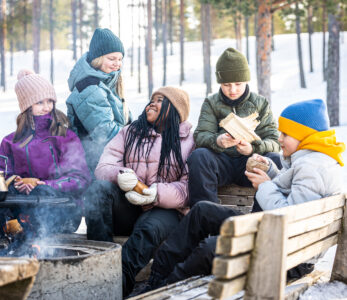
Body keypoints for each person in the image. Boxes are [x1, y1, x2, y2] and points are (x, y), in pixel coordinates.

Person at [143, 99, 345, 290]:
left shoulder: (312, 167)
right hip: (277, 240)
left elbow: (291, 221)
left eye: (285, 134)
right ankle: (157, 278)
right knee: (201, 211)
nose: (279, 138)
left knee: (211, 248)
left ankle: (164, 288)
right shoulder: (312, 160)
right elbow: (291, 192)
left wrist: (265, 186)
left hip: (288, 255)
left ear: (304, 136)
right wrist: (271, 172)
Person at [84, 87, 194, 296]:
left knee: (148, 229)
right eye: (151, 99)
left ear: (175, 109)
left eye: (160, 100)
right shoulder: (130, 131)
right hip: (130, 205)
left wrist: (156, 193)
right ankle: (98, 263)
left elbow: (188, 188)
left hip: (166, 211)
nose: (152, 103)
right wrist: (121, 175)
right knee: (97, 191)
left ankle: (113, 288)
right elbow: (103, 167)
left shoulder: (188, 140)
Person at [0, 70, 91, 233]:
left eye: (50, 101)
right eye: (39, 102)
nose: (46, 107)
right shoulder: (10, 142)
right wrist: (15, 183)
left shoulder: (64, 136)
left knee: (41, 197)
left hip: (62, 209)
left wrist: (47, 185)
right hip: (20, 211)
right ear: (26, 106)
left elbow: (81, 178)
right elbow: (3, 176)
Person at [189, 47, 281, 207]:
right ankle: (206, 217)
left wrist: (252, 149)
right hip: (221, 162)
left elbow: (274, 141)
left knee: (274, 160)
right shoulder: (211, 103)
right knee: (199, 156)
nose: (233, 90)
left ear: (246, 80)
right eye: (226, 84)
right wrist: (218, 141)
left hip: (250, 163)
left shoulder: (260, 103)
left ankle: (260, 219)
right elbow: (201, 135)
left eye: (238, 84)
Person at [66, 28, 131, 172]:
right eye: (111, 59)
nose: (117, 63)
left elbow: (127, 121)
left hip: (111, 156)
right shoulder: (89, 87)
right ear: (98, 59)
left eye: (120, 59)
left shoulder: (108, 83)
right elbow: (105, 132)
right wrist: (138, 141)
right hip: (94, 163)